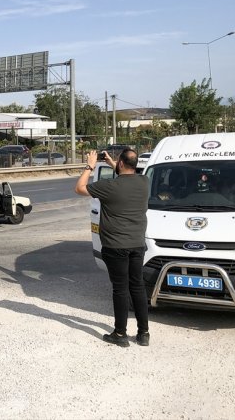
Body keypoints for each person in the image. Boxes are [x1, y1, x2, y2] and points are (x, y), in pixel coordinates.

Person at [75, 148, 150, 348]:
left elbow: (80, 187)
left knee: (120, 289)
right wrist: (112, 162)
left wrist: (90, 165)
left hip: (115, 246)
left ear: (121, 164)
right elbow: (127, 176)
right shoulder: (144, 182)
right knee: (137, 287)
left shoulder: (109, 186)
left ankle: (120, 333)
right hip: (137, 244)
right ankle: (143, 334)